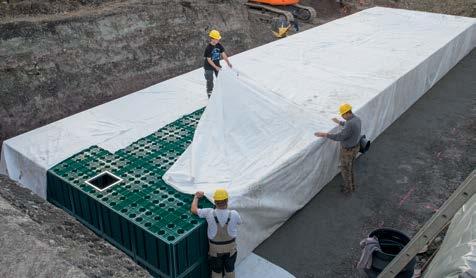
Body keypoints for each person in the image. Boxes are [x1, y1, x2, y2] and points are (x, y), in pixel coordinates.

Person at [191, 189, 242, 277]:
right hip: (230, 249)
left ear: (215, 202)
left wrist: (196, 197)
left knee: (216, 272)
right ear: (227, 201)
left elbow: (193, 209)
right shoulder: (234, 214)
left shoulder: (209, 212)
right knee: (230, 270)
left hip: (215, 250)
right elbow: (239, 222)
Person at [315, 103, 362, 193]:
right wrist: (339, 122)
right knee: (350, 167)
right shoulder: (357, 119)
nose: (342, 116)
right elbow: (349, 125)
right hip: (355, 147)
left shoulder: (350, 124)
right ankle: (352, 185)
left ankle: (348, 189)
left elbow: (340, 137)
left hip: (348, 151)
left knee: (345, 169)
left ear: (347, 113)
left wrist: (325, 134)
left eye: (343, 115)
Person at [204, 29, 232, 98]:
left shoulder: (219, 45)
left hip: (217, 65)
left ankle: (223, 91)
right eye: (217, 39)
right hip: (208, 66)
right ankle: (210, 94)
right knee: (210, 80)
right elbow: (209, 60)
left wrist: (228, 63)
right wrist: (216, 67)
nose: (218, 40)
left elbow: (223, 54)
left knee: (221, 77)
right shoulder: (208, 48)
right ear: (212, 39)